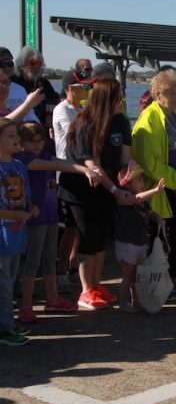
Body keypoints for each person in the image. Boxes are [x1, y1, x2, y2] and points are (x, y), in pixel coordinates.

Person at [58, 79, 135, 310]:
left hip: (107, 185)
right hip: (81, 188)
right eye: (118, 98)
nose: (122, 101)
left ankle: (96, 284)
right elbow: (93, 165)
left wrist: (130, 183)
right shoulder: (84, 123)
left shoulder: (120, 121)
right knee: (88, 236)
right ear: (106, 99)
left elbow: (125, 159)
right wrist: (115, 191)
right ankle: (85, 290)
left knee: (101, 237)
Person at [15, 122, 101, 322]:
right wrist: (84, 170)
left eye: (40, 141)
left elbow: (57, 161)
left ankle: (52, 299)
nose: (37, 145)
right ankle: (26, 305)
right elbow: (55, 165)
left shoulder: (43, 155)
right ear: (22, 143)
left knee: (48, 261)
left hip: (50, 214)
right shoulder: (24, 159)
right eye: (32, 142)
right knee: (32, 262)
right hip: (36, 217)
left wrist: (82, 168)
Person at [132, 70, 176, 294]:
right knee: (161, 237)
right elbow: (148, 162)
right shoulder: (149, 118)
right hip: (162, 188)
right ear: (158, 94)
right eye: (172, 92)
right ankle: (159, 283)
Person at [52, 69, 95, 292]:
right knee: (70, 227)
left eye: (89, 86)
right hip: (67, 174)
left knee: (78, 227)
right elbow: (77, 133)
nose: (87, 90)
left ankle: (70, 267)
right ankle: (60, 271)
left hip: (81, 173)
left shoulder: (79, 108)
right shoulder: (62, 109)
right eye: (83, 86)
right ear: (70, 89)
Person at [0, 118, 38, 345]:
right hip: (3, 234)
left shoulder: (19, 166)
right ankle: (5, 329)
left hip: (16, 234)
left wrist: (30, 208)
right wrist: (15, 215)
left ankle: (8, 323)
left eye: (17, 135)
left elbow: (26, 197)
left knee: (10, 279)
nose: (16, 139)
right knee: (3, 282)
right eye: (11, 135)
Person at [113, 163, 166, 312]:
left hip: (140, 242)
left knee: (137, 276)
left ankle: (136, 301)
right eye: (139, 180)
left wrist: (158, 218)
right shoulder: (124, 197)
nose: (142, 183)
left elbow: (150, 212)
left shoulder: (143, 202)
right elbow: (135, 198)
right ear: (128, 184)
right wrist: (155, 190)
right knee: (128, 276)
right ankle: (123, 303)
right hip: (126, 243)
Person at [11, 47, 59, 130]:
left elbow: (54, 99)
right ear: (22, 64)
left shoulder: (43, 82)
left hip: (40, 127)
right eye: (32, 63)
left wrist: (49, 114)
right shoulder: (13, 82)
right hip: (19, 127)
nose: (36, 67)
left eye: (39, 64)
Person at [0, 47, 38, 124]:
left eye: (10, 64)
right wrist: (28, 104)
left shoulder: (20, 89)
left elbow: (31, 117)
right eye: (3, 64)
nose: (8, 67)